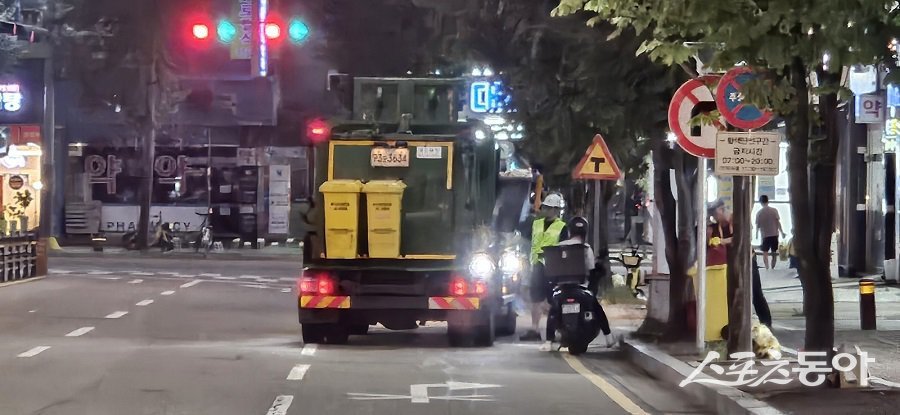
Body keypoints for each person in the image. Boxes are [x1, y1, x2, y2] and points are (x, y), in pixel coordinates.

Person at [540, 217, 615, 351]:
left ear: (570, 231)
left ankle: (548, 341)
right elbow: (591, 269)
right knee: (597, 309)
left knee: (553, 311)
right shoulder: (586, 248)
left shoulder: (560, 247)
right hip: (581, 288)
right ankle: (609, 338)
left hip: (561, 288)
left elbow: (551, 268)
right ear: (585, 232)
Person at [520, 193, 568, 341]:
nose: (545, 210)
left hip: (553, 268)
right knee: (535, 298)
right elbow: (526, 238)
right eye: (545, 207)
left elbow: (564, 249)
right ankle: (534, 329)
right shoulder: (537, 224)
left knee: (553, 300)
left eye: (548, 208)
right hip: (537, 265)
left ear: (555, 210)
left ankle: (556, 328)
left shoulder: (562, 227)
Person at [755, 195, 785, 270]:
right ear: (768, 201)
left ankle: (767, 267)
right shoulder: (774, 210)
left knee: (765, 252)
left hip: (765, 235)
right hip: (774, 234)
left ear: (760, 202)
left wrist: (756, 235)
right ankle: (773, 267)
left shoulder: (759, 213)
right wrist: (782, 232)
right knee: (774, 252)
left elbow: (757, 226)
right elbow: (778, 223)